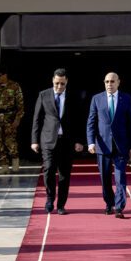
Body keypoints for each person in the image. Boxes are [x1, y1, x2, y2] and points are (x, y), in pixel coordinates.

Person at [31, 68, 85, 215]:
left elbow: (79, 119)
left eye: (62, 83)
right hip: (48, 140)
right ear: (52, 81)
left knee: (64, 174)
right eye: (56, 83)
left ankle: (61, 205)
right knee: (48, 170)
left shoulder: (74, 96)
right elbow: (37, 118)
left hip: (67, 141)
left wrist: (80, 140)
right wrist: (34, 140)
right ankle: (49, 198)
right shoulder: (43, 95)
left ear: (66, 81)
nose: (59, 87)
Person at [87, 72, 131, 218]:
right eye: (107, 81)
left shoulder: (126, 98)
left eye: (112, 81)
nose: (109, 84)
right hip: (102, 146)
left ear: (118, 82)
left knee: (120, 177)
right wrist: (91, 142)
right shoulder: (97, 99)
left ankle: (119, 207)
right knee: (105, 178)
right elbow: (91, 122)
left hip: (121, 146)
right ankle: (109, 204)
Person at [0, 65, 24, 174]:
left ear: (5, 75)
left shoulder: (14, 86)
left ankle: (15, 162)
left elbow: (20, 105)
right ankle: (4, 165)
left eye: (0, 76)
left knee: (10, 141)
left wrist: (18, 119)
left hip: (9, 118)